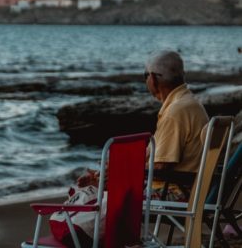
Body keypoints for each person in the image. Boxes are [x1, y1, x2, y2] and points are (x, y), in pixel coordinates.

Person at [78, 50, 209, 201]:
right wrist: (113, 172)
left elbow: (160, 166)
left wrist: (118, 172)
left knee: (106, 201)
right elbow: (155, 160)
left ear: (152, 78)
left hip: (176, 193)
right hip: (190, 188)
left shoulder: (176, 112)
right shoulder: (190, 103)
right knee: (103, 192)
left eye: (145, 75)